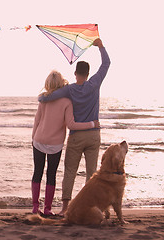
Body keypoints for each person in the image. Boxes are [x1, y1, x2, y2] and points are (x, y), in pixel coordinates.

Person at [38, 38, 110, 215]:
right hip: (93, 135)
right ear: (88, 73)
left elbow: (48, 97)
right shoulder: (94, 84)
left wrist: (41, 98)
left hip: (76, 135)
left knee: (70, 171)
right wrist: (100, 46)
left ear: (76, 72)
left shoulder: (69, 89)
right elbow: (107, 63)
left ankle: (64, 209)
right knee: (92, 173)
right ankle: (90, 206)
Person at [31, 70, 100, 215]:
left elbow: (37, 120)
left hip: (39, 140)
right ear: (62, 84)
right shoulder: (67, 102)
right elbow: (72, 125)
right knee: (51, 175)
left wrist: (33, 138)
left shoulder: (44, 99)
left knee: (37, 172)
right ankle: (47, 209)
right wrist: (92, 124)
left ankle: (35, 207)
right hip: (55, 144)